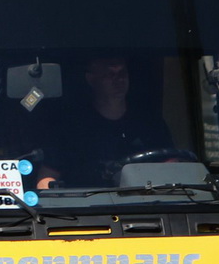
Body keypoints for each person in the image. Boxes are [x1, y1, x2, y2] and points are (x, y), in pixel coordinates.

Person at [40, 54, 173, 188]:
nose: (119, 79)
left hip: (146, 204)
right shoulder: (71, 127)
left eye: (122, 73)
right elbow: (46, 181)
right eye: (110, 74)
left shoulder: (150, 123)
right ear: (91, 79)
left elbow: (172, 170)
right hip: (89, 206)